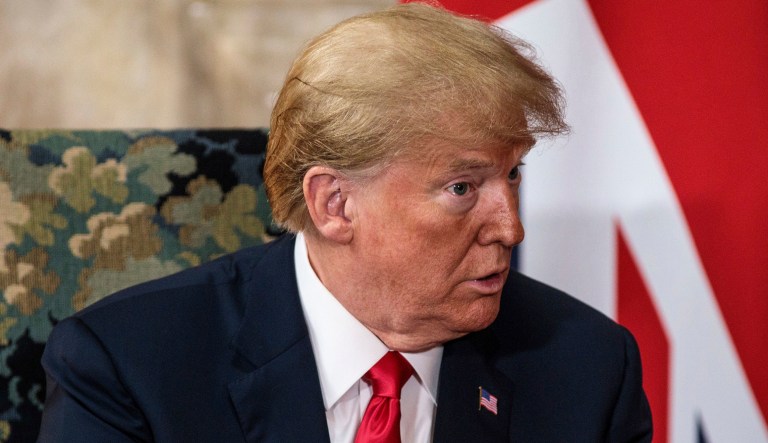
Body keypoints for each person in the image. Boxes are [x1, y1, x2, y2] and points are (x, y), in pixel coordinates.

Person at [37, 3, 652, 442]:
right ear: (335, 204)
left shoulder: (588, 371)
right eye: (463, 187)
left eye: (513, 174)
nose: (510, 229)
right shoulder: (129, 366)